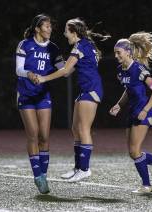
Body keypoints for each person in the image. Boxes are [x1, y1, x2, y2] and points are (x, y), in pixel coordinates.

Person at [35, 18, 110, 182]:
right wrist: (55, 60)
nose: (64, 34)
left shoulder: (81, 46)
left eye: (66, 31)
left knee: (83, 129)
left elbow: (65, 70)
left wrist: (43, 78)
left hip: (91, 89)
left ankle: (84, 169)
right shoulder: (84, 45)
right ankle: (78, 168)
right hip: (86, 89)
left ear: (74, 32)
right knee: (76, 129)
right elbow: (67, 71)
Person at [109, 32, 152, 194]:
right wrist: (119, 104)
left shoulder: (139, 69)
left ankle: (147, 186)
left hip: (142, 112)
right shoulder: (120, 70)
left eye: (119, 52)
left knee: (134, 151)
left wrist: (145, 110)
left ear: (128, 52)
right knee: (134, 153)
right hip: (132, 112)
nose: (116, 55)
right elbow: (128, 90)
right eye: (115, 52)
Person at [16, 14, 64, 194]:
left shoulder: (53, 48)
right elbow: (18, 69)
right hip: (26, 94)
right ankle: (37, 176)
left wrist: (79, 61)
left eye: (51, 26)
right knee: (33, 134)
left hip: (43, 95)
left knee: (44, 136)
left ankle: (43, 175)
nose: (50, 29)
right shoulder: (25, 44)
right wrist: (29, 74)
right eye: (46, 26)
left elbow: (64, 70)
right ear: (37, 28)